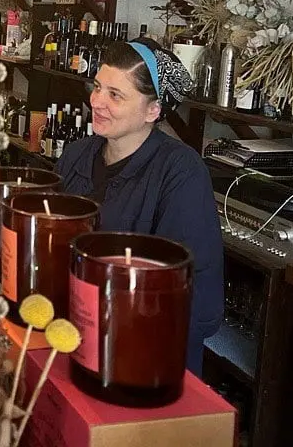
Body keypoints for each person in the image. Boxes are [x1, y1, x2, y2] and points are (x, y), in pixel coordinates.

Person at [56, 39, 223, 375]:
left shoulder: (180, 173)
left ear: (153, 110)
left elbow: (193, 300)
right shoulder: (77, 155)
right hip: (70, 337)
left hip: (142, 361)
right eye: (98, 87)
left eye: (115, 95)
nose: (97, 101)